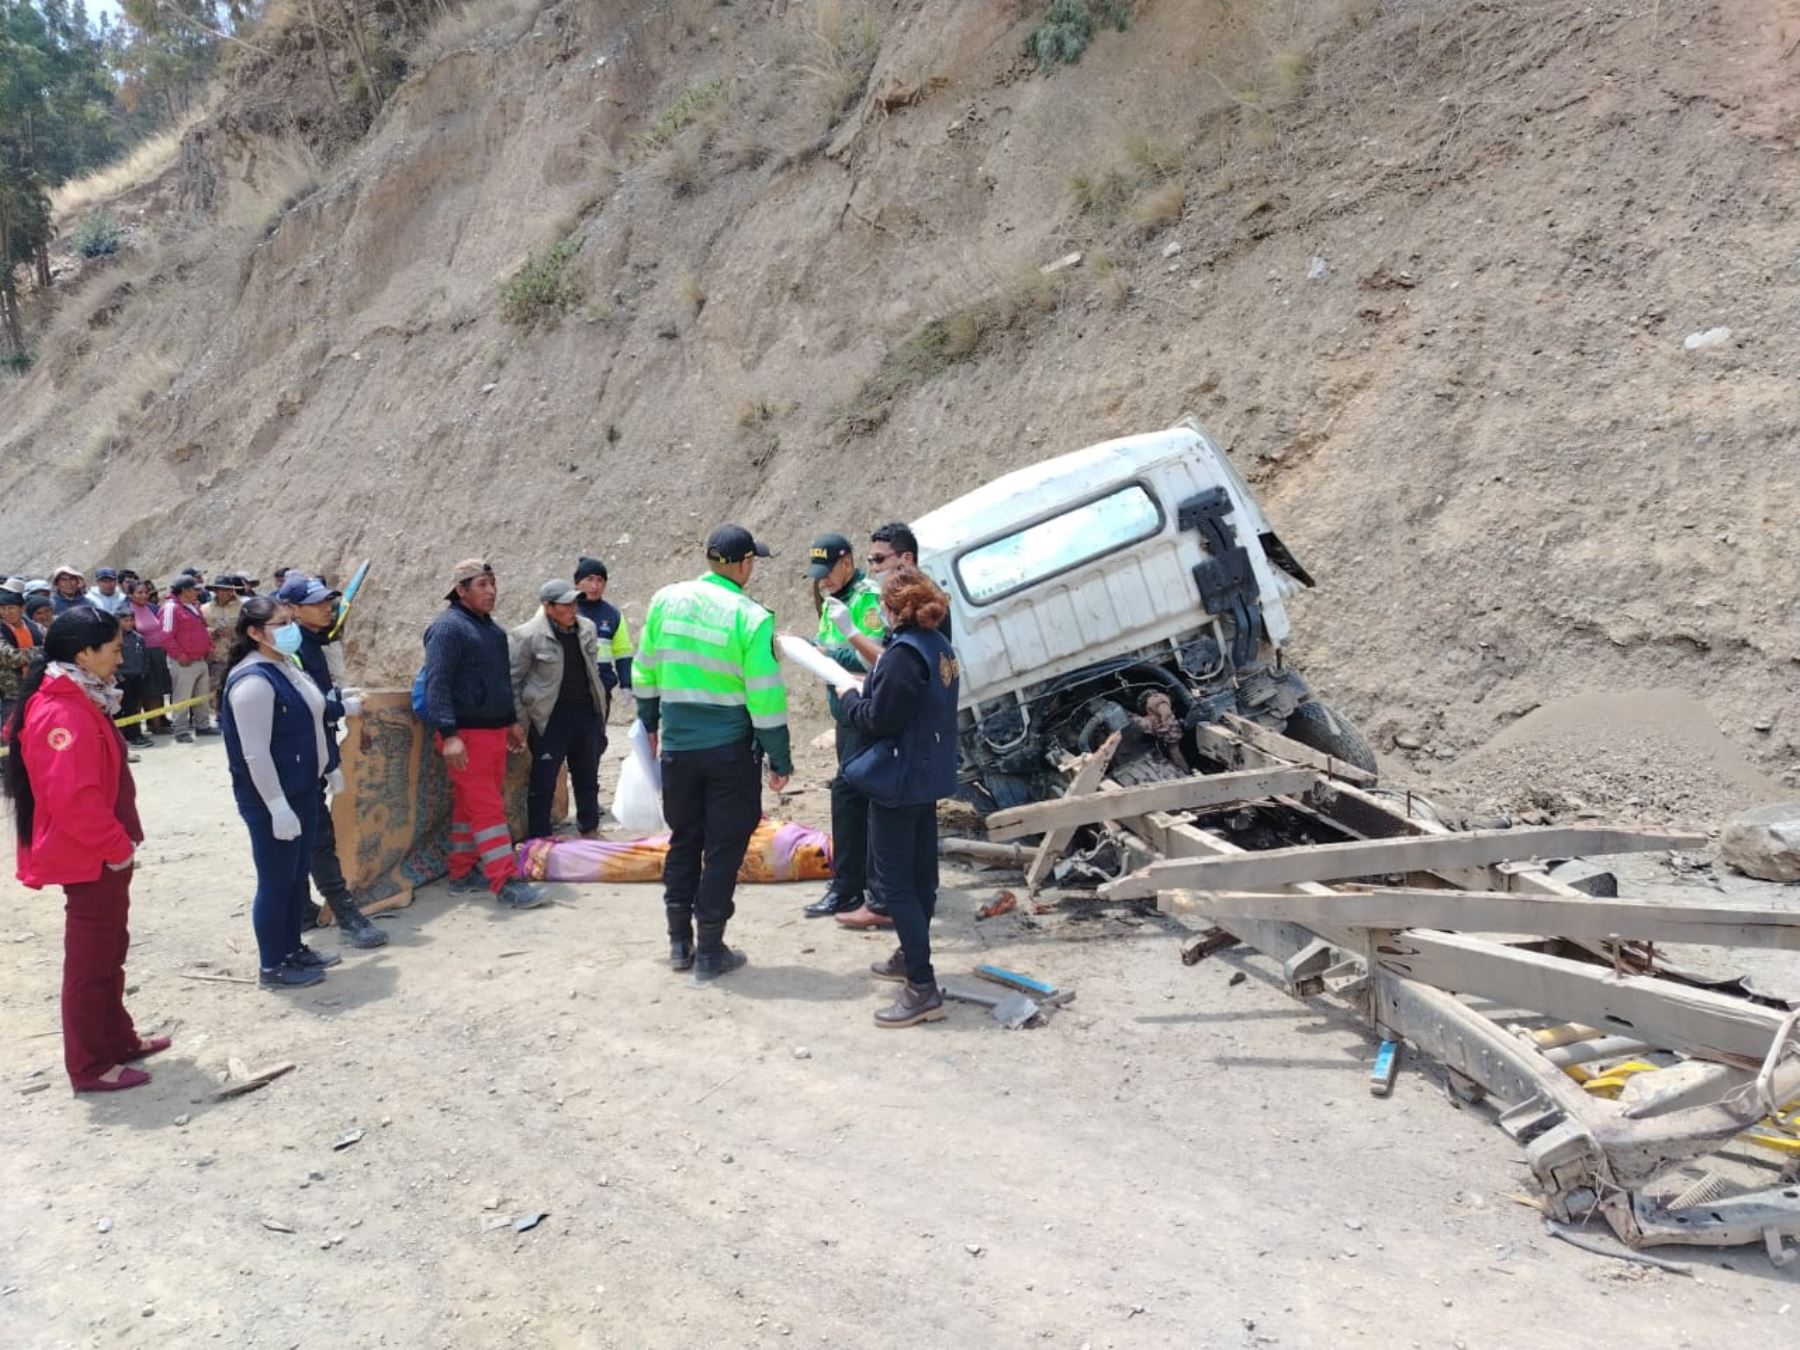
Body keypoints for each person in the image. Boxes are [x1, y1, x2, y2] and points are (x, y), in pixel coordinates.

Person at [5, 607, 166, 1089]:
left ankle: (118, 1038)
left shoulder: (80, 696)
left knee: (109, 951)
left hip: (101, 854)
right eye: (114, 650)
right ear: (84, 653)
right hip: (90, 856)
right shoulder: (61, 710)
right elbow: (73, 798)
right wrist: (116, 846)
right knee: (90, 963)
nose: (121, 658)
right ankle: (91, 1064)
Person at [636, 524, 791, 981]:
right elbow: (764, 696)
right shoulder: (752, 616)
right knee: (723, 849)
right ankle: (710, 951)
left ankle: (679, 943)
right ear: (743, 564)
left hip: (678, 750)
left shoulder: (665, 600)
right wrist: (779, 758)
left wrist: (649, 723)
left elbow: (644, 669)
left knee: (684, 840)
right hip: (729, 753)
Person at [836, 567, 960, 1028]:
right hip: (928, 776)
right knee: (922, 876)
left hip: (898, 781)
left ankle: (922, 987)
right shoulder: (940, 647)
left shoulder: (902, 656)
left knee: (897, 885)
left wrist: (849, 695)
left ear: (892, 609)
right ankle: (911, 959)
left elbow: (878, 721)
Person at [219, 598, 341, 989]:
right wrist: (275, 806)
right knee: (275, 881)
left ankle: (292, 949)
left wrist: (329, 766)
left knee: (293, 879)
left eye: (291, 621)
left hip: (303, 789)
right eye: (280, 623)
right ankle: (272, 964)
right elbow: (255, 753)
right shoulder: (254, 681)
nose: (290, 629)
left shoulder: (286, 667)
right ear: (255, 633)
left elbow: (316, 717)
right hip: (273, 800)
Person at [831, 521, 938, 931]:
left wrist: (852, 691)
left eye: (878, 560)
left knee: (895, 842)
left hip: (903, 745)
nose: (872, 569)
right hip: (920, 745)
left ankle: (889, 911)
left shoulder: (914, 626)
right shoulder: (927, 619)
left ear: (905, 559)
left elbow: (893, 672)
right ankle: (898, 913)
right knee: (919, 850)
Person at [421, 559, 545, 910]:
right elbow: (437, 684)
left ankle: (461, 873)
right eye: (481, 584)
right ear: (460, 590)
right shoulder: (447, 629)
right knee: (489, 810)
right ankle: (505, 881)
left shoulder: (491, 630)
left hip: (491, 733)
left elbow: (500, 682)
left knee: (468, 806)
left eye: (492, 583)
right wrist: (449, 733)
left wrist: (510, 722)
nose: (491, 591)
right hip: (466, 735)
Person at [279, 573, 388, 949]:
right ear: (292, 609)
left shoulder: (313, 642)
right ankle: (346, 915)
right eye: (318, 603)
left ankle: (301, 908)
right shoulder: (289, 650)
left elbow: (315, 691)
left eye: (328, 601)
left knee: (304, 836)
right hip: (295, 757)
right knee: (316, 837)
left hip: (314, 751)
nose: (328, 607)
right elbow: (297, 705)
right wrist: (339, 705)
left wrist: (337, 695)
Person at [801, 532, 888, 921]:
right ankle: (864, 880)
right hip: (845, 712)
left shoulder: (867, 597)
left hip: (864, 712)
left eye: (829, 572)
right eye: (819, 575)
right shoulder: (832, 601)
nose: (824, 580)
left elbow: (872, 654)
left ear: (847, 563)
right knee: (856, 798)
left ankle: (847, 888)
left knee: (848, 796)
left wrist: (823, 652)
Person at [511, 579, 608, 841]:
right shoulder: (527, 635)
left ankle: (589, 829)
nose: (572, 609)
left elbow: (593, 670)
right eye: (565, 604)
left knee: (587, 775)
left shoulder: (586, 628)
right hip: (549, 718)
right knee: (544, 781)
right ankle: (540, 839)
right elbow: (514, 680)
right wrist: (519, 722)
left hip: (585, 714)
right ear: (548, 607)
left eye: (574, 603)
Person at [159, 575, 218, 742]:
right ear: (185, 591)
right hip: (184, 662)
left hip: (200, 660)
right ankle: (180, 730)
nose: (198, 593)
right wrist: (180, 655)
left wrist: (209, 648)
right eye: (195, 589)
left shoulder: (192, 607)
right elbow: (166, 636)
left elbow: (202, 630)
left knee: (202, 695)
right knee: (182, 697)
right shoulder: (171, 608)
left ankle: (203, 726)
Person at [573, 556, 634, 697]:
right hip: (569, 689)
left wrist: (626, 683)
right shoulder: (561, 609)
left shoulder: (613, 614)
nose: (594, 586)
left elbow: (622, 651)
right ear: (577, 582)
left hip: (601, 688)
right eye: (589, 579)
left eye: (600, 580)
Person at [128, 580, 172, 737]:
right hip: (140, 656)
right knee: (141, 693)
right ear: (131, 594)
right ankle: (137, 729)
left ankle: (157, 724)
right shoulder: (127, 611)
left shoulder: (153, 608)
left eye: (146, 592)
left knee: (157, 691)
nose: (143, 595)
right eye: (139, 592)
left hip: (157, 654)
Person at [202, 573, 245, 708]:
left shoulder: (243, 607)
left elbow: (250, 628)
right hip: (216, 655)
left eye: (230, 589)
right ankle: (219, 717)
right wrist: (209, 632)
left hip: (238, 654)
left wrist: (236, 631)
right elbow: (198, 629)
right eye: (224, 590)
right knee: (216, 688)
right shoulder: (205, 609)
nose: (228, 593)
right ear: (215, 591)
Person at [115, 608, 155, 749]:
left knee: (134, 708)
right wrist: (118, 675)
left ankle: (135, 734)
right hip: (122, 678)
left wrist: (144, 671)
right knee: (121, 709)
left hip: (137, 677)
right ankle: (124, 736)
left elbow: (144, 657)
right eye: (125, 620)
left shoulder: (138, 637)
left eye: (131, 620)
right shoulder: (115, 639)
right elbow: (113, 660)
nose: (129, 623)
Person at [0, 585, 37, 725]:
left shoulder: (35, 628)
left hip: (37, 688)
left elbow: (52, 647)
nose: (7, 612)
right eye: (3, 608)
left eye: (11, 608)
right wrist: (39, 651)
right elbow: (10, 657)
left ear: (22, 608)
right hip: (12, 693)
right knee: (11, 736)